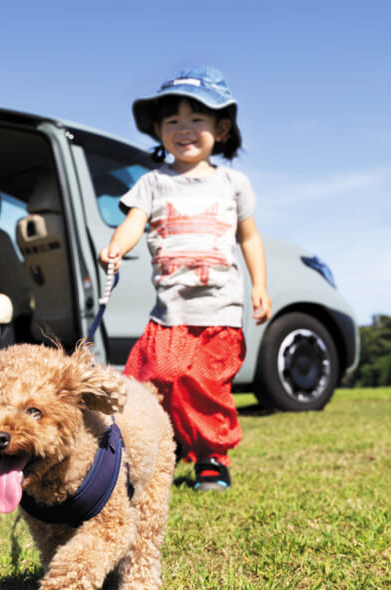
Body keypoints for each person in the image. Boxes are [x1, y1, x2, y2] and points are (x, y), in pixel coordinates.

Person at [100, 66, 272, 492]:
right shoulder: (153, 183)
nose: (184, 129)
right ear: (158, 130)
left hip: (220, 312)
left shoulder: (233, 184)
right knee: (150, 380)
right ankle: (155, 445)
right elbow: (134, 222)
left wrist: (260, 286)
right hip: (170, 313)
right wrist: (116, 246)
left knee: (205, 386)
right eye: (173, 121)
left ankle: (212, 459)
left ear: (222, 128)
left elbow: (249, 239)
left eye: (197, 119)